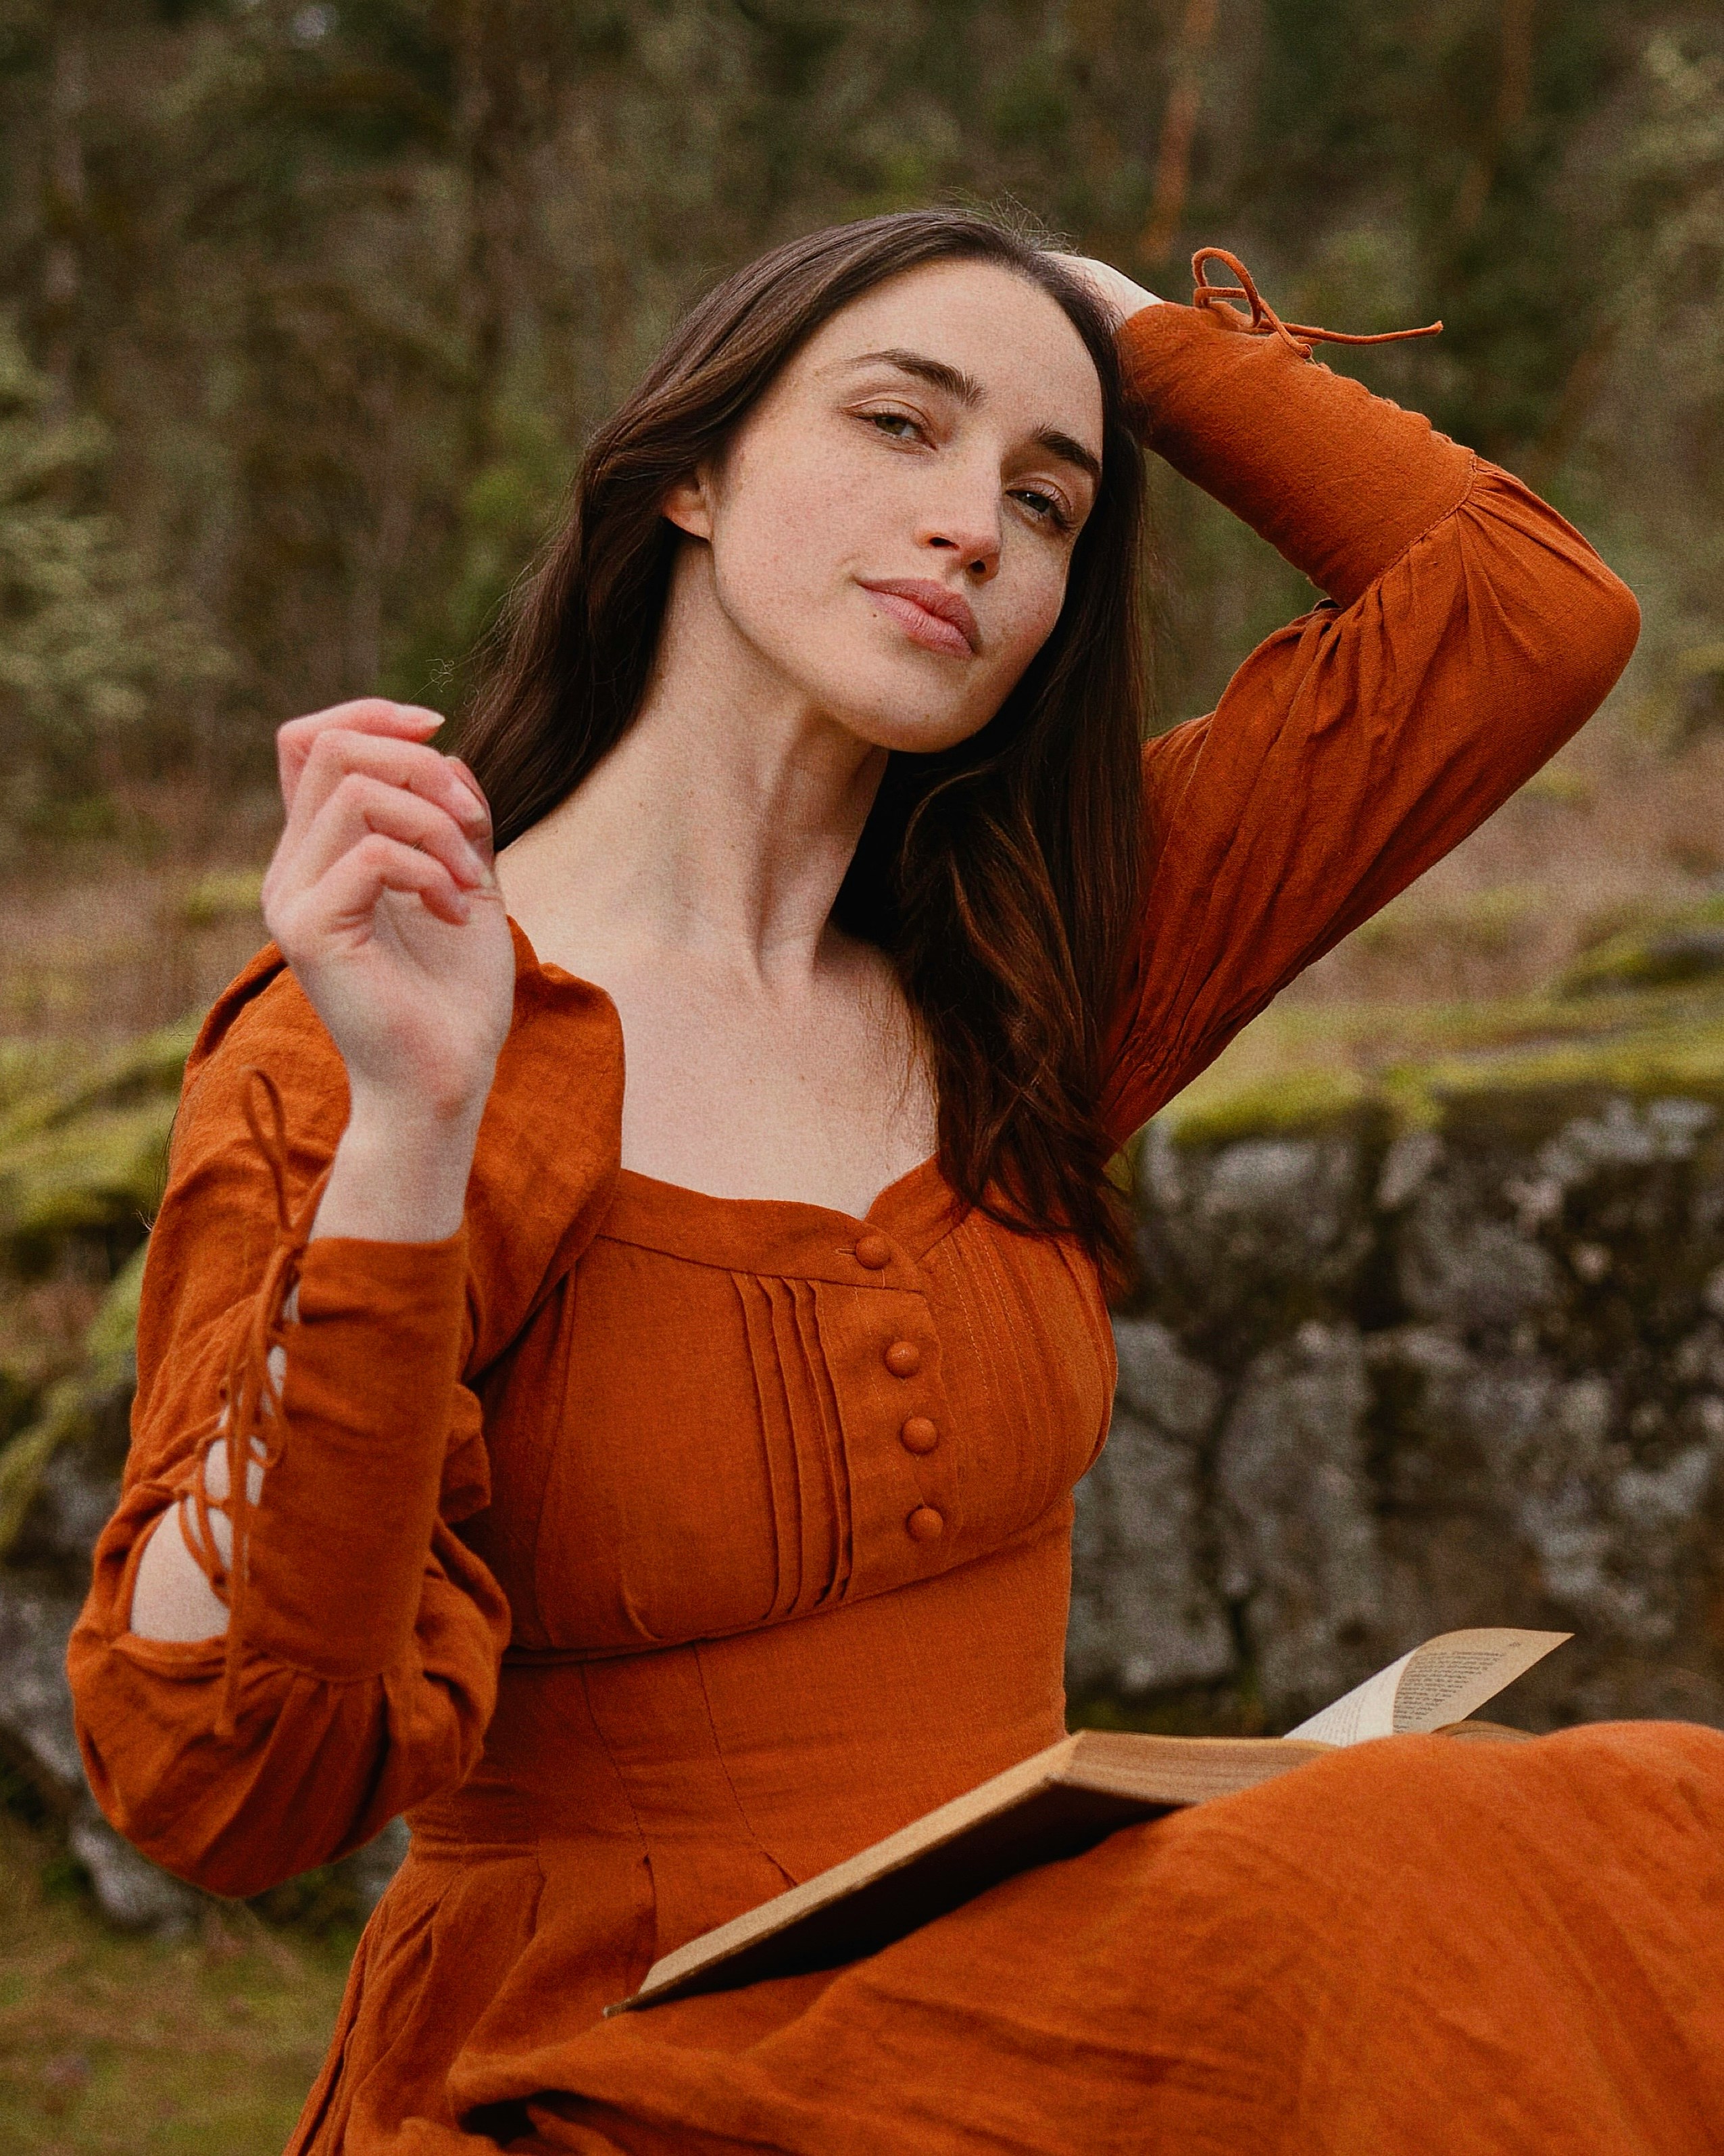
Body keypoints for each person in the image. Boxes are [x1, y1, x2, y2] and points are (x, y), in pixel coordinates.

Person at [66, 210, 1723, 2154]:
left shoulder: (1025, 984)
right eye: (897, 423)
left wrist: (1102, 316)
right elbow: (231, 1780)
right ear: (687, 467)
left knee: (1645, 1843)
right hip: (622, 2060)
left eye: (1048, 499)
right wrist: (415, 1136)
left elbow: (1525, 611)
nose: (977, 529)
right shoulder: (374, 1028)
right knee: (1389, 1871)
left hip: (1047, 1998)